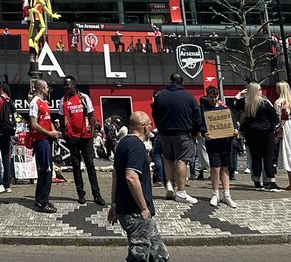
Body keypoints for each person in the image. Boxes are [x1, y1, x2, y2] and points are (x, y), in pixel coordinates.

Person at [107, 111, 170, 262]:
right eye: (150, 124)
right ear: (144, 127)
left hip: (129, 209)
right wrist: (143, 208)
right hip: (135, 212)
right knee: (139, 256)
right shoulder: (136, 146)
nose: (151, 127)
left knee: (159, 254)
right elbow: (131, 177)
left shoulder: (123, 143)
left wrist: (114, 204)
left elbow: (116, 175)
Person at [150, 72, 201, 204]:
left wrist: (160, 128)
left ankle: (169, 185)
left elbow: (154, 113)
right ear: (182, 82)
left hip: (165, 133)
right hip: (184, 133)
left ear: (170, 81)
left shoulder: (160, 96)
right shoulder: (189, 97)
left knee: (167, 157)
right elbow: (197, 117)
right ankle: (181, 192)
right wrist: (195, 132)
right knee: (182, 160)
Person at [61, 75, 106, 206]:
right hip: (72, 138)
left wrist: (92, 133)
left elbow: (91, 115)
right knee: (76, 166)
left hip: (85, 137)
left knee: (90, 165)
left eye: (68, 84)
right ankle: (80, 194)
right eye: (64, 85)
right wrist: (66, 136)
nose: (66, 87)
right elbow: (61, 116)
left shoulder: (84, 98)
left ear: (74, 84)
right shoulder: (63, 101)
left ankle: (96, 194)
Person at [230, 82, 279, 190]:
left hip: (251, 133)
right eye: (260, 89)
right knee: (268, 157)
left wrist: (239, 93)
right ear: (257, 91)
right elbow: (275, 117)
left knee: (255, 158)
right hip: (266, 132)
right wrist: (271, 125)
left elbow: (233, 103)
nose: (261, 91)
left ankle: (257, 182)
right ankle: (271, 182)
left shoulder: (245, 102)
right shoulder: (265, 103)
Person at [200, 88, 236, 208]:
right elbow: (201, 125)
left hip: (225, 143)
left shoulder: (225, 109)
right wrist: (205, 133)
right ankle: (215, 193)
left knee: (225, 168)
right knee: (215, 168)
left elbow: (233, 123)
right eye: (211, 97)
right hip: (213, 144)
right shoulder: (204, 110)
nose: (213, 99)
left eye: (215, 97)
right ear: (207, 97)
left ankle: (227, 194)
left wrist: (235, 130)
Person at [29, 77, 60, 213]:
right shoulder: (35, 103)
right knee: (45, 170)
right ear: (41, 88)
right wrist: (49, 133)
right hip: (41, 141)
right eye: (46, 87)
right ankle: (42, 202)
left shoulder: (44, 103)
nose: (48, 89)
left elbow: (47, 119)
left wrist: (53, 131)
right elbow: (34, 124)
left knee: (47, 170)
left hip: (46, 139)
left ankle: (41, 199)